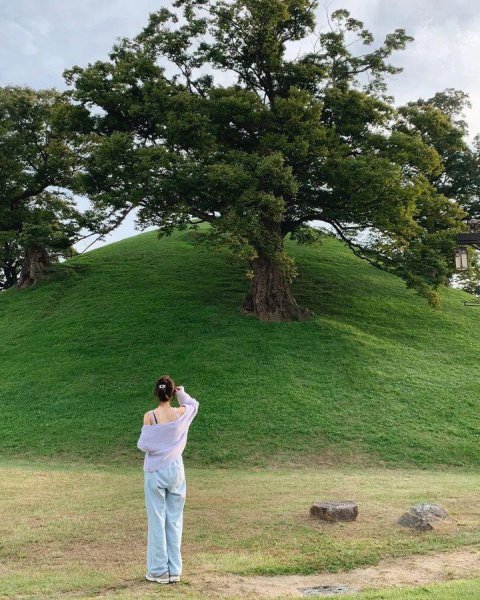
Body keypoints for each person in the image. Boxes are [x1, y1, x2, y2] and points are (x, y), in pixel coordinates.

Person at [137, 375, 199, 585]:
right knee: (174, 520)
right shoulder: (181, 413)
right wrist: (182, 393)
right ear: (171, 393)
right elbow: (193, 404)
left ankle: (158, 570)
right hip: (176, 470)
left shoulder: (150, 416)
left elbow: (144, 444)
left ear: (156, 393)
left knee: (157, 520)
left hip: (155, 470)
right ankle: (175, 570)